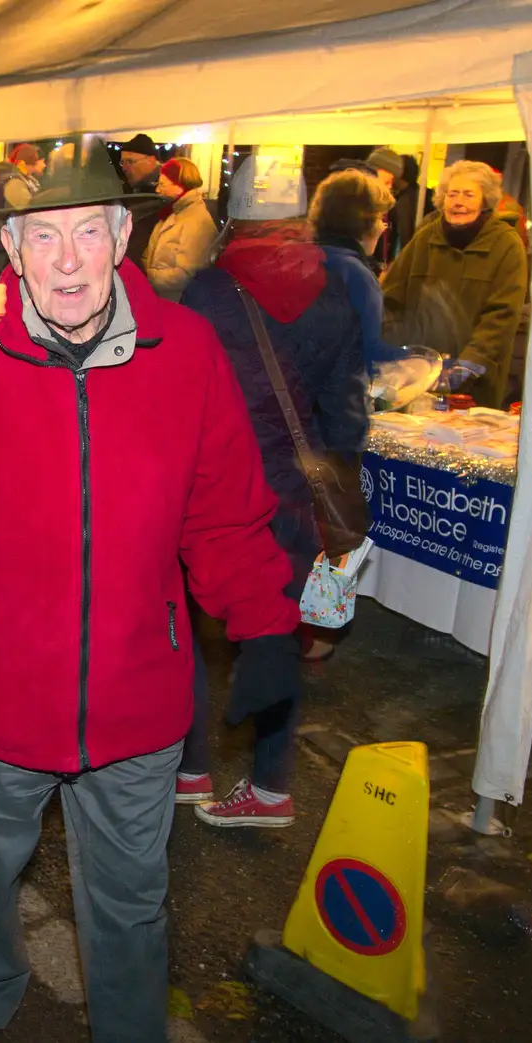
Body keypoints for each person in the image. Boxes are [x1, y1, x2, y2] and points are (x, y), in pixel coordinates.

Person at [0, 143, 301, 1041]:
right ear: (11, 250)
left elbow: (224, 515)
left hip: (140, 704)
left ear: (122, 235)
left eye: (87, 233)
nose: (66, 259)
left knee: (134, 904)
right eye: (42, 236)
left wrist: (264, 625)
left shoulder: (187, 353)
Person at [178, 163, 376, 825]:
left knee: (189, 628)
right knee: (278, 634)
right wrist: (327, 474)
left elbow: (181, 398)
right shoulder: (337, 284)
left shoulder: (207, 289)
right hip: (293, 497)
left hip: (214, 494)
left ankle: (190, 766)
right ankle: (269, 788)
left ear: (234, 215)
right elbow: (348, 412)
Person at [381, 160, 529, 407]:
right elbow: (391, 299)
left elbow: (502, 316)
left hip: (476, 383)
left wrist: (468, 365)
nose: (458, 202)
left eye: (469, 195)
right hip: (417, 379)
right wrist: (402, 356)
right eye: (452, 194)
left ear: (485, 201)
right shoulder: (425, 237)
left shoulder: (506, 245)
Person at [310, 169, 404, 373]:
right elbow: (368, 350)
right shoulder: (356, 274)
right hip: (338, 397)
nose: (382, 227)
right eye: (380, 218)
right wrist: (417, 363)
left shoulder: (299, 258)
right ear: (364, 222)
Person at [142, 156, 216, 300]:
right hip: (164, 300)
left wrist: (148, 277)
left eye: (163, 184)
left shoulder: (197, 222)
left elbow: (187, 275)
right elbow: (148, 255)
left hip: (179, 303)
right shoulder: (173, 213)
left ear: (179, 185)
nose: (157, 189)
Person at [115, 132, 163, 269]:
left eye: (130, 161)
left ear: (151, 160)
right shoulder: (129, 190)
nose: (124, 168)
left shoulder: (165, 193)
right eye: (122, 162)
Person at [0, 143, 44, 215]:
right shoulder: (14, 182)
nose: (44, 165)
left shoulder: (24, 180)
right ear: (23, 163)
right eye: (34, 163)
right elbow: (27, 209)